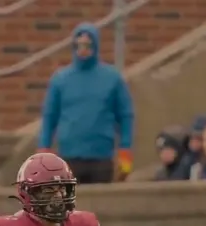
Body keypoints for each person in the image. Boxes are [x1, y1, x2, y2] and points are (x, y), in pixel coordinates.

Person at [38, 23, 134, 183]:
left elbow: (125, 116)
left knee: (100, 205)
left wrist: (125, 152)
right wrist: (43, 149)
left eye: (88, 45)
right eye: (78, 45)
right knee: (69, 205)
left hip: (101, 157)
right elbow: (49, 117)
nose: (83, 50)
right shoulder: (60, 80)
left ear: (96, 46)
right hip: (69, 157)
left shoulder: (112, 79)